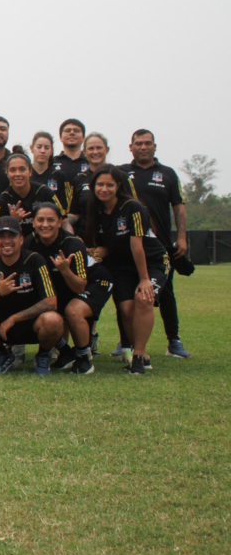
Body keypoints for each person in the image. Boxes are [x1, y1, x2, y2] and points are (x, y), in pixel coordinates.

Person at [84, 165, 170, 375]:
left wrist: (144, 279)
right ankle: (135, 349)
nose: (104, 189)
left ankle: (140, 356)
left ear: (118, 186)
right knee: (126, 309)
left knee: (144, 298)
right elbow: (105, 245)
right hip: (121, 266)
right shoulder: (95, 210)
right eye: (100, 184)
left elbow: (136, 245)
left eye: (109, 185)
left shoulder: (133, 207)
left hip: (152, 263)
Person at [119, 129, 191, 359]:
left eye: (147, 143)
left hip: (160, 247)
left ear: (154, 146)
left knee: (166, 294)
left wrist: (181, 238)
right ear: (130, 147)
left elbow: (178, 207)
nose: (143, 147)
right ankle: (126, 342)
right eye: (138, 143)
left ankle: (174, 341)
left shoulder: (168, 174)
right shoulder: (122, 172)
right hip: (129, 245)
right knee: (127, 297)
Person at [0, 216, 64, 374]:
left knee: (53, 319)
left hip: (31, 323)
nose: (6, 241)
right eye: (1, 236)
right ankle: (3, 354)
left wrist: (14, 318)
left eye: (12, 236)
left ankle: (43, 356)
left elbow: (51, 302)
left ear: (21, 239)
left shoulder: (35, 260)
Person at [26, 203, 111, 374]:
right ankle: (66, 353)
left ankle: (83, 359)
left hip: (95, 282)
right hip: (62, 285)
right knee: (44, 311)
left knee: (73, 311)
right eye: (40, 220)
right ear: (33, 222)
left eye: (51, 220)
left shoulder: (72, 243)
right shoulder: (30, 242)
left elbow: (80, 286)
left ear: (59, 222)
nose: (45, 224)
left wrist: (64, 270)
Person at [0, 152, 67, 237]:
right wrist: (12, 221)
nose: (18, 174)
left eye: (22, 169)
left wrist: (71, 241)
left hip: (44, 242)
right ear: (7, 173)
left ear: (30, 171)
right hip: (18, 247)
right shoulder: (2, 200)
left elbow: (63, 220)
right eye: (13, 170)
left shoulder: (45, 192)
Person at [66, 132, 111, 239]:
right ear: (84, 152)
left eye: (99, 148)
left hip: (113, 238)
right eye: (91, 148)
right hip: (86, 238)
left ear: (106, 149)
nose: (95, 152)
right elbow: (74, 213)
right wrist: (61, 220)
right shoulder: (79, 179)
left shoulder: (118, 176)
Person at [29, 131, 72, 213]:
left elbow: (65, 207)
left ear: (51, 151)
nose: (42, 151)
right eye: (39, 147)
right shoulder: (24, 174)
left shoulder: (59, 176)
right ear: (32, 148)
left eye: (47, 147)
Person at [54, 118, 91, 185]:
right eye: (68, 130)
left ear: (83, 137)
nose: (72, 133)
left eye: (76, 130)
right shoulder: (51, 163)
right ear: (61, 137)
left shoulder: (90, 162)